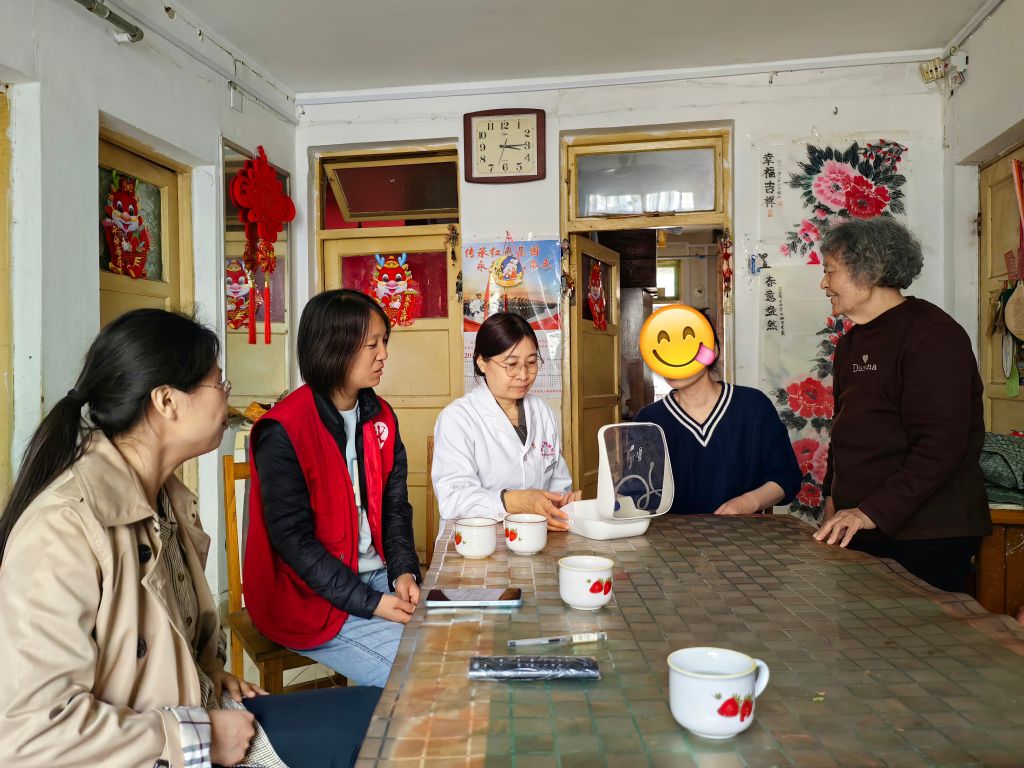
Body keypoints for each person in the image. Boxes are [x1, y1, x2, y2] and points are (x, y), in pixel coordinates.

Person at [0, 309, 379, 768]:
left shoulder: (166, 501)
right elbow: (32, 736)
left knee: (387, 716)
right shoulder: (62, 528)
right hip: (166, 746)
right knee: (377, 735)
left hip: (200, 715)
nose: (227, 397)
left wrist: (206, 673)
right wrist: (195, 737)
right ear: (167, 401)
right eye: (219, 384)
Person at [246, 289, 421, 689]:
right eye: (372, 344)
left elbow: (395, 508)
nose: (384, 354)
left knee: (454, 642)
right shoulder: (284, 429)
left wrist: (404, 571)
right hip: (308, 596)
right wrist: (371, 604)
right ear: (333, 347)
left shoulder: (380, 415)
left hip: (377, 576)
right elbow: (294, 542)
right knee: (419, 673)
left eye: (384, 342)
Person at [813, 218, 991, 592]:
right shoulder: (850, 343)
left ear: (868, 270)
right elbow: (845, 428)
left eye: (830, 271)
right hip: (863, 527)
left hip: (927, 535)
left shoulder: (932, 335)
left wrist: (869, 512)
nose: (823, 284)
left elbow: (941, 446)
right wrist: (833, 497)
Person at [635, 313, 802, 515]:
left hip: (742, 532)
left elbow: (786, 477)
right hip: (669, 533)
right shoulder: (648, 420)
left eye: (686, 343)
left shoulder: (754, 406)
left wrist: (750, 502)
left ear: (712, 350)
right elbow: (637, 493)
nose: (674, 356)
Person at [432, 312, 580, 531]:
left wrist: (561, 503)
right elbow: (453, 499)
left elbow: (559, 483)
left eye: (531, 362)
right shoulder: (458, 418)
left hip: (536, 535)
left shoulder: (542, 412)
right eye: (511, 364)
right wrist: (513, 501)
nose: (523, 375)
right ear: (482, 362)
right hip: (479, 539)